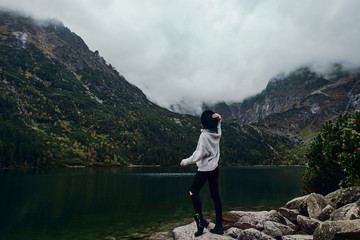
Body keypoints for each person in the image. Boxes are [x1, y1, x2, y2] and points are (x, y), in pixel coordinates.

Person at [180, 110, 224, 237]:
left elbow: (199, 154)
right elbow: (219, 124)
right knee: (215, 196)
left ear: (204, 124)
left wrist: (185, 162)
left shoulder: (204, 137)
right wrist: (218, 117)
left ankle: (201, 223)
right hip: (215, 167)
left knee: (193, 192)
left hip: (205, 169)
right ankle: (219, 226)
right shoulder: (217, 133)